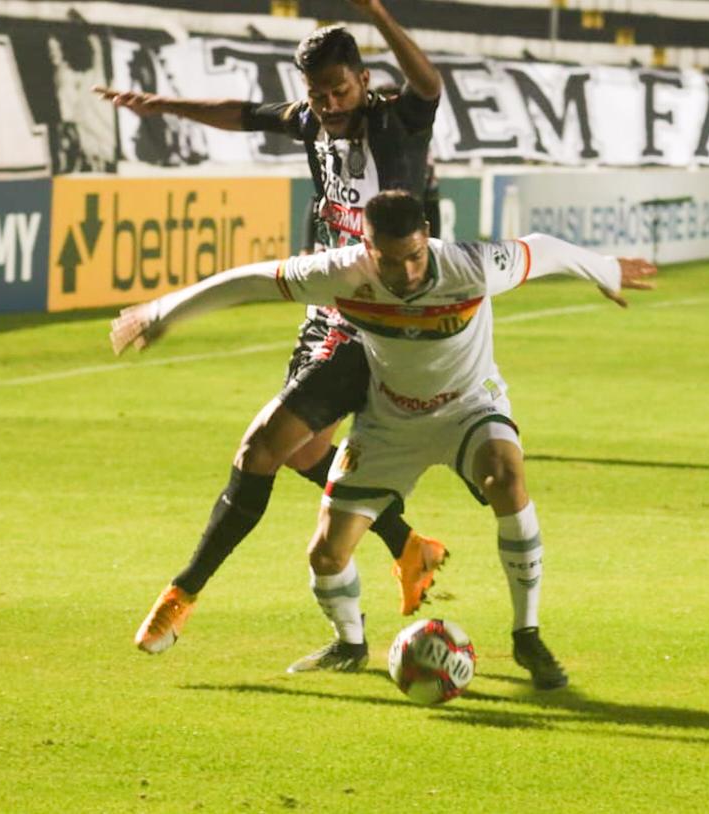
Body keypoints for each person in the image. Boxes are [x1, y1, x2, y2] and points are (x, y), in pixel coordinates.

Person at [110, 189, 658, 689]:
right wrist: (163, 310)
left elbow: (545, 249)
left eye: (415, 256)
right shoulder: (342, 272)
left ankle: (527, 636)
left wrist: (606, 269)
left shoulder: (472, 265)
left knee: (506, 478)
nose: (405, 271)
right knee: (327, 556)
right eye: (390, 260)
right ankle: (349, 645)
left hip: (469, 407)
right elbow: (251, 280)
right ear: (367, 248)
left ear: (427, 237)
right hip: (389, 422)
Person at [94, 1, 447, 654]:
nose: (329, 104)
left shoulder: (395, 121)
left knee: (260, 449)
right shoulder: (313, 121)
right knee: (306, 454)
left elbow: (429, 85)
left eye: (339, 90)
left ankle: (181, 595)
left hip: (376, 320)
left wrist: (378, 15)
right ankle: (407, 548)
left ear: (364, 80)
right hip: (327, 310)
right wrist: (164, 105)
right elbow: (243, 113)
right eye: (317, 94)